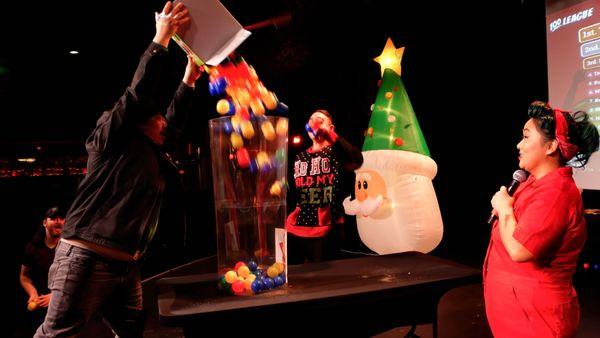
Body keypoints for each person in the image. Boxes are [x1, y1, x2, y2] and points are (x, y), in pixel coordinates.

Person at [35, 2, 203, 337]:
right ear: (142, 123)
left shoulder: (150, 151)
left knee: (130, 331)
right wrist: (162, 38)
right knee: (56, 334)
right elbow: (136, 96)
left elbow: (175, 120)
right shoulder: (113, 141)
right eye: (159, 117)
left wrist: (189, 77)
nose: (164, 121)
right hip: (85, 261)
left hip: (126, 265)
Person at [484, 101, 599, 337]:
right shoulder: (532, 184)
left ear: (551, 146)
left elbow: (519, 250)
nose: (519, 144)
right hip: (516, 309)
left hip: (536, 317)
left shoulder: (556, 192)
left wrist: (505, 210)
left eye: (526, 137)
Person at [286, 109, 363, 264]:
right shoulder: (299, 157)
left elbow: (357, 160)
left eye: (320, 121)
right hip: (297, 227)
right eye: (311, 120)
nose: (314, 123)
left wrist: (329, 136)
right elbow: (295, 191)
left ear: (331, 128)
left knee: (324, 282)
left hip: (327, 228)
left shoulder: (337, 152)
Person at [20, 207, 65, 335]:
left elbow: (78, 279)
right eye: (53, 218)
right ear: (45, 222)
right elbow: (24, 276)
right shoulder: (33, 248)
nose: (58, 221)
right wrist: (32, 292)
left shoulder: (70, 249)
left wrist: (55, 296)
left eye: (62, 218)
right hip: (39, 304)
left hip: (62, 304)